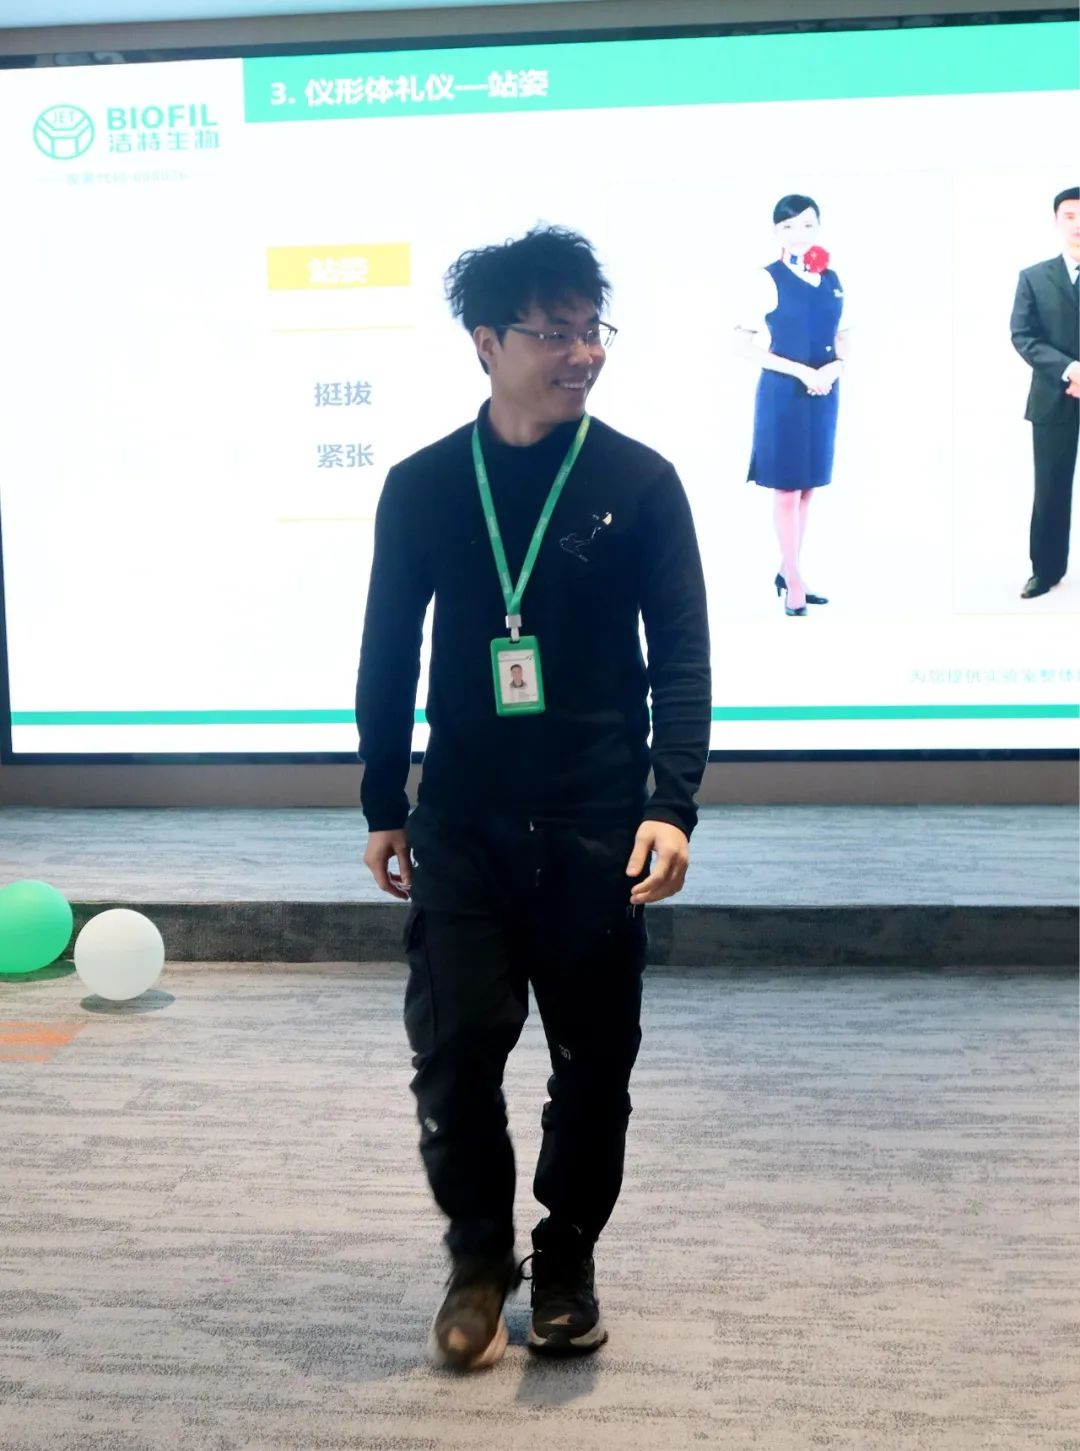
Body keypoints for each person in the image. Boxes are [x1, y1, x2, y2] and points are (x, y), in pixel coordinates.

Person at [355, 225, 711, 1372]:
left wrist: (672, 803)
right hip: (463, 818)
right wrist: (382, 798)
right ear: (487, 342)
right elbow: (387, 652)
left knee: (593, 1059)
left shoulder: (640, 481)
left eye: (592, 329)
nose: (583, 353)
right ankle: (476, 1258)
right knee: (455, 1045)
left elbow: (683, 657)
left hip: (598, 823)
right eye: (555, 332)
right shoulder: (423, 485)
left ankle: (565, 1257)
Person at [735, 194, 850, 615]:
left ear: (818, 227)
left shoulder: (832, 277)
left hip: (824, 392)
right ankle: (795, 582)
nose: (798, 234)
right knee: (786, 489)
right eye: (787, 226)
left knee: (807, 488)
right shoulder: (765, 279)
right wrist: (804, 373)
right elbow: (742, 345)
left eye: (806, 225)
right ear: (775, 231)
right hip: (783, 395)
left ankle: (788, 570)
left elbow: (843, 337)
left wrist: (834, 369)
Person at [1010, 186, 1080, 599]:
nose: (1078, 223)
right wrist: (1071, 370)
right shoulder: (1034, 278)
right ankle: (1046, 570)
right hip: (1054, 397)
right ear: (1057, 221)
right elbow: (1023, 335)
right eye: (1069, 215)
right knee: (1051, 488)